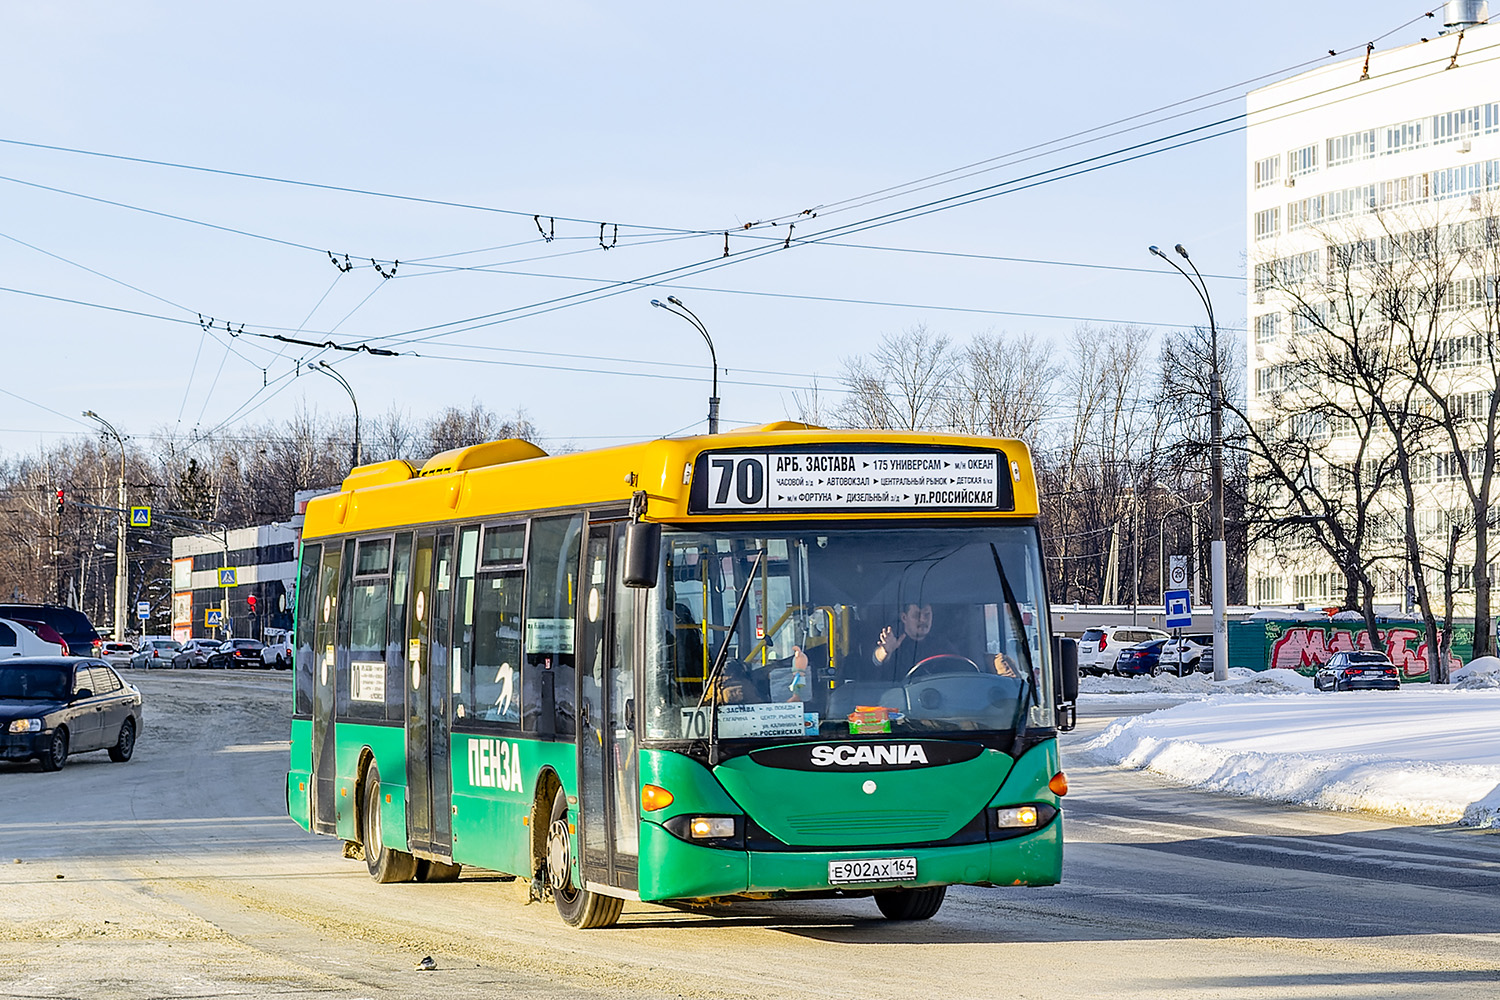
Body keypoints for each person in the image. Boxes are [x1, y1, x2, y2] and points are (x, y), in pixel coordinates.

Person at [871, 603, 959, 676]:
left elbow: (958, 668)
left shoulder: (942, 645)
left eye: (927, 614)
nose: (923, 619)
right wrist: (885, 651)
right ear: (904, 618)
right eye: (916, 615)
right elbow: (876, 659)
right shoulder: (893, 640)